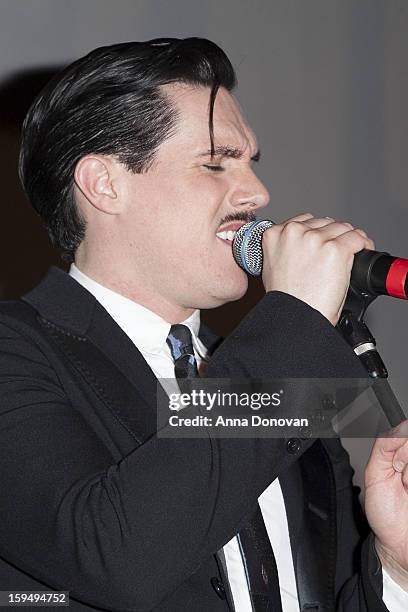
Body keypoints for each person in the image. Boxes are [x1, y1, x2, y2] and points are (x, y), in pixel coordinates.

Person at [1, 37, 408, 612]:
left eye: (250, 163)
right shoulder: (16, 350)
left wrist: (394, 566)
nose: (259, 194)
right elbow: (115, 557)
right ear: (104, 184)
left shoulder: (281, 376)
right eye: (215, 163)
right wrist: (294, 317)